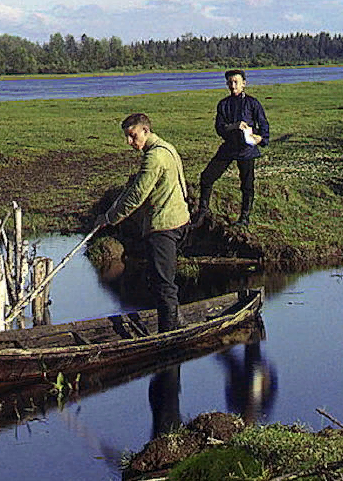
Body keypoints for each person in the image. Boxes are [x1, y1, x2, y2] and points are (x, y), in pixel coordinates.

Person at [95, 112, 190, 331]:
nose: (129, 142)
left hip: (164, 226)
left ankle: (169, 334)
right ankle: (176, 322)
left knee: (162, 284)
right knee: (163, 280)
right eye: (127, 137)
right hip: (178, 221)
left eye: (133, 135)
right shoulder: (167, 147)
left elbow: (137, 195)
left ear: (145, 131)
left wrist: (110, 218)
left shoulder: (154, 157)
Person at [196, 69, 269, 226]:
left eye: (236, 82)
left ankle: (244, 218)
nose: (233, 85)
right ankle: (203, 211)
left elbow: (263, 124)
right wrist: (235, 126)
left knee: (247, 184)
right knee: (207, 177)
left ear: (244, 83)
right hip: (228, 148)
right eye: (230, 82)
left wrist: (261, 138)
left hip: (247, 150)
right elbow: (219, 128)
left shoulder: (252, 103)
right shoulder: (223, 104)